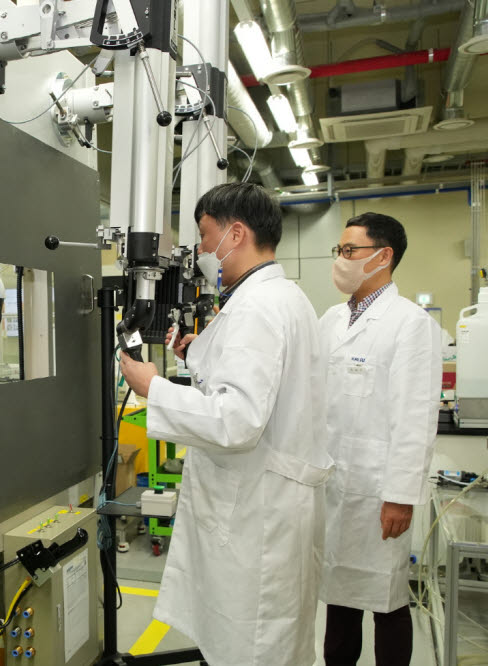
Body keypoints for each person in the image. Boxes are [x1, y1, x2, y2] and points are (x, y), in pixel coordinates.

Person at [120, 182, 333, 665]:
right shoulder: (282, 298)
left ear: (235, 234)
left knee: (252, 646)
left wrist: (154, 387)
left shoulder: (257, 307)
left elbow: (237, 420)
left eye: (204, 235)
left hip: (257, 514)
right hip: (271, 504)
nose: (200, 250)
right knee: (266, 642)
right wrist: (202, 350)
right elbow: (261, 384)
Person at [319, 213, 440, 666]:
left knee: (386, 599)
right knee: (339, 595)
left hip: (378, 492)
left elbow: (415, 416)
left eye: (350, 251)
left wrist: (401, 496)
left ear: (383, 256)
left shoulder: (410, 324)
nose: (341, 260)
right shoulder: (331, 319)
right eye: (340, 251)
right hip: (333, 485)